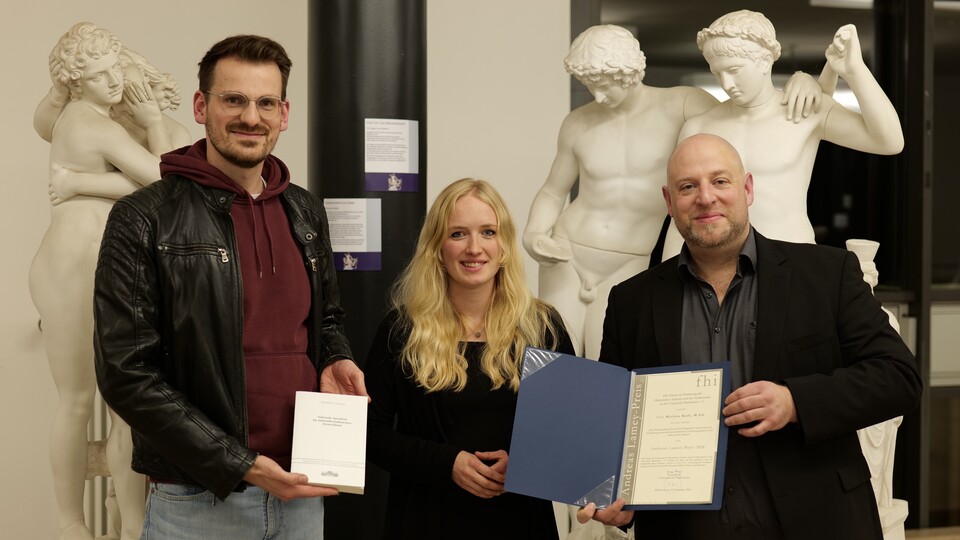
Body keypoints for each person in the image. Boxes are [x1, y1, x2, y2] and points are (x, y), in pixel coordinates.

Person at [579, 133, 921, 539]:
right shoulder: (630, 301)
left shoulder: (828, 275)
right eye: (687, 187)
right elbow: (614, 426)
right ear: (669, 202)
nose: (706, 197)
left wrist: (795, 402)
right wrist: (618, 498)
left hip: (817, 522)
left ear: (747, 189)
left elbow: (899, 378)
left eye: (720, 181)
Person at [93, 34, 366, 540]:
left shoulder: (305, 210)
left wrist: (335, 357)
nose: (251, 117)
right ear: (202, 106)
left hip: (302, 494)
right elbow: (125, 373)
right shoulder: (144, 217)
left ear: (284, 114)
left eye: (266, 103)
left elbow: (326, 319)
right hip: (197, 501)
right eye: (234, 100)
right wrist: (239, 463)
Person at [523, 24, 822, 361]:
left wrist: (806, 82)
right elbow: (553, 191)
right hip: (567, 252)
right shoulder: (577, 123)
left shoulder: (681, 105)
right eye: (589, 85)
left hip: (629, 260)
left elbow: (745, 112)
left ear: (629, 72)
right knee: (548, 362)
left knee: (604, 366)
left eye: (605, 85)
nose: (598, 96)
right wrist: (534, 233)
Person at [28, 21, 182, 540]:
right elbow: (163, 177)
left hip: (108, 266)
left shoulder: (101, 117)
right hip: (72, 264)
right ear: (76, 83)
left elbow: (170, 179)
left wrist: (82, 181)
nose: (116, 83)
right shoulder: (86, 120)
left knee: (125, 404)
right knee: (77, 399)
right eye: (100, 75)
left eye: (118, 69)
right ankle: (73, 523)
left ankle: (132, 523)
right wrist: (149, 124)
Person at [365, 178, 575, 540]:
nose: (474, 248)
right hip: (425, 523)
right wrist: (447, 464)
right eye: (458, 234)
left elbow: (572, 431)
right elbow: (370, 432)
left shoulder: (543, 327)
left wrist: (525, 464)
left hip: (520, 523)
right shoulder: (401, 330)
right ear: (437, 248)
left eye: (488, 232)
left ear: (504, 246)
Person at [665, 10, 904, 256]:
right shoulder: (699, 127)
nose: (726, 83)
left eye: (734, 70)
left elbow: (889, 141)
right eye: (717, 73)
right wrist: (668, 274)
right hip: (719, 265)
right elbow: (681, 217)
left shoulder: (805, 112)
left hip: (793, 258)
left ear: (765, 61)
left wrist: (854, 71)